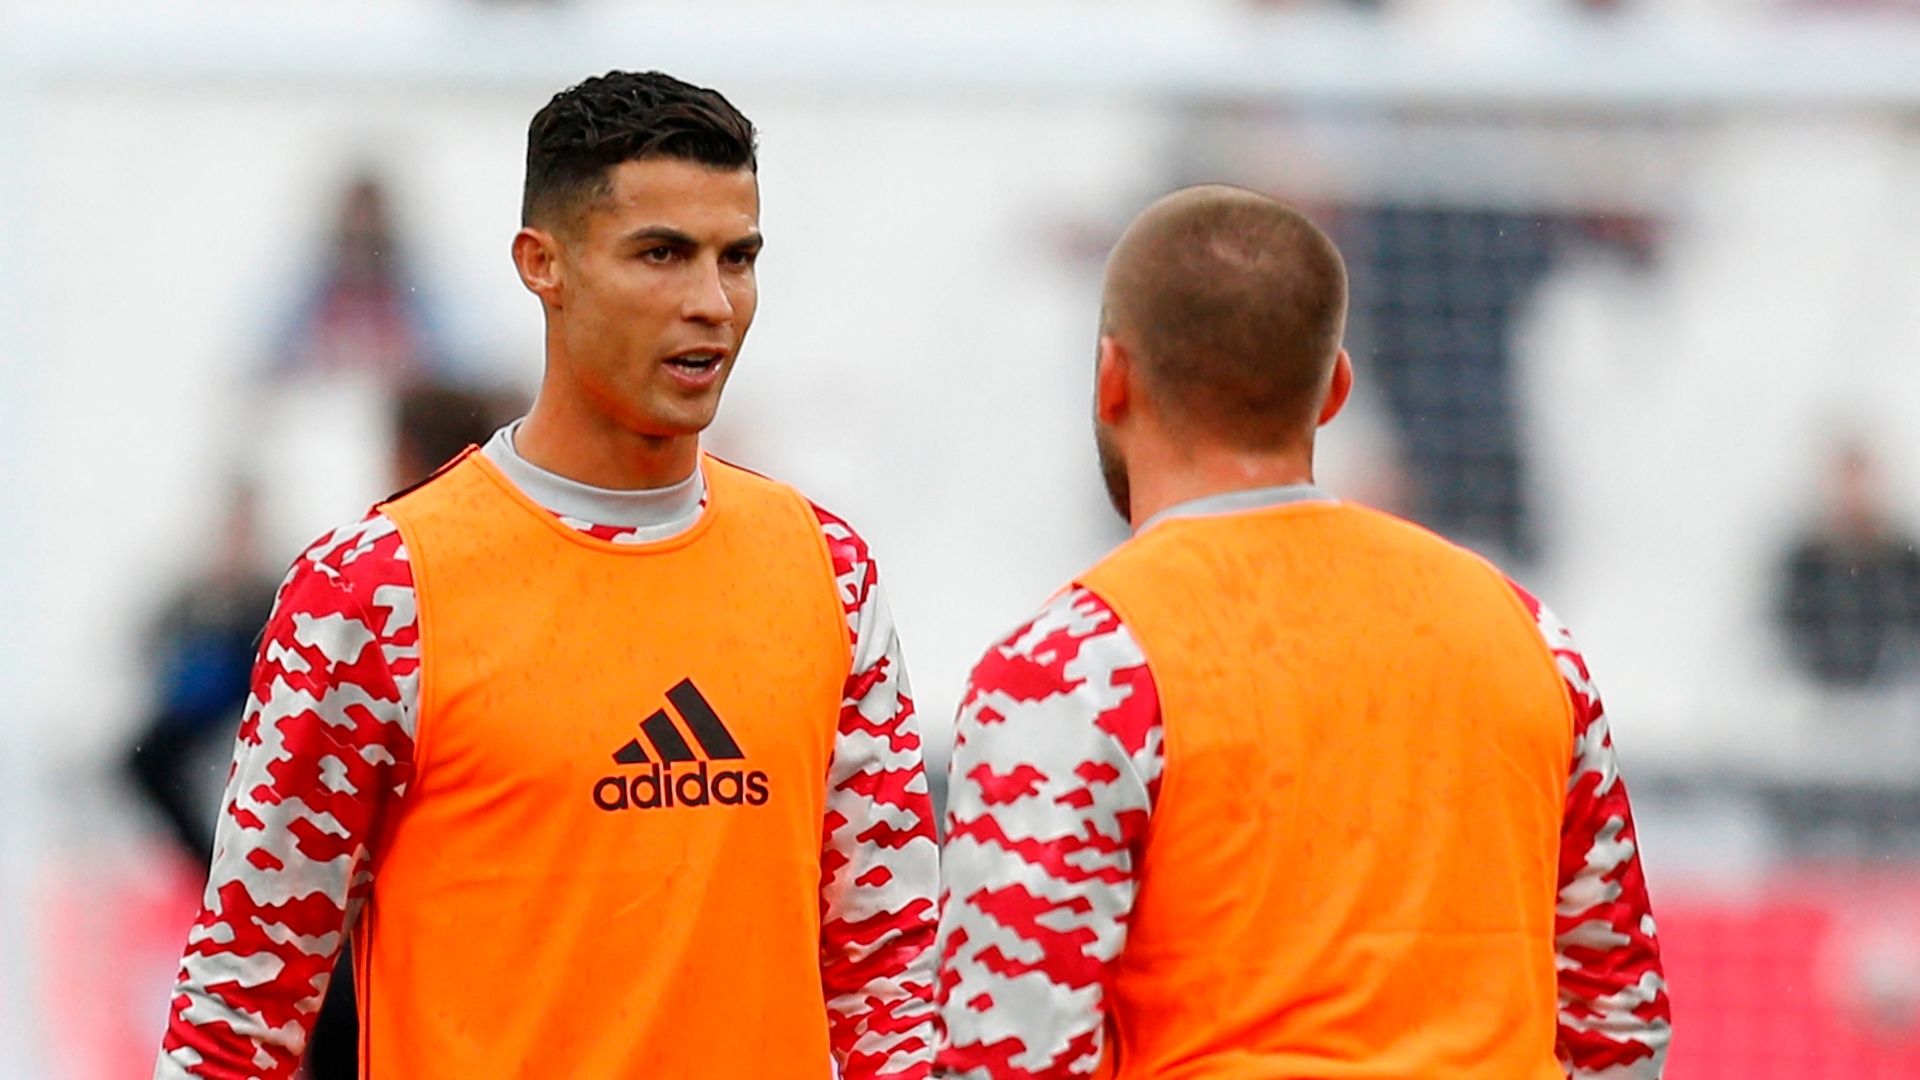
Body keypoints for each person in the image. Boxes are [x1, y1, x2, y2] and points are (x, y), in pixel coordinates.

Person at [156, 71, 940, 1079]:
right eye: (661, 254)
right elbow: (239, 1013)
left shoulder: (826, 573)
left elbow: (891, 985)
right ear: (544, 265)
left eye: (736, 258)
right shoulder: (379, 591)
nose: (711, 301)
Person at [933, 186, 1671, 1078]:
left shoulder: (1077, 668)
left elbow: (1009, 1048)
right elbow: (1618, 1017)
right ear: (1336, 390)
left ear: (1112, 377)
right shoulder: (1522, 634)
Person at [1775, 440, 1920, 689]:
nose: (1855, 495)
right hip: (1819, 701)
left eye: (1862, 483)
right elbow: (1784, 635)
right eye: (1846, 483)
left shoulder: (1905, 564)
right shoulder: (1806, 563)